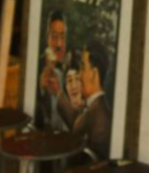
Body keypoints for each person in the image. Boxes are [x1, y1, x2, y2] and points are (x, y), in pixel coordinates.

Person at [38, 11, 113, 157]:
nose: (79, 74)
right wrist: (58, 92)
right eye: (54, 37)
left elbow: (75, 125)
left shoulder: (97, 110)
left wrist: (58, 93)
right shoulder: (97, 106)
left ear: (94, 74)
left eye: (83, 67)